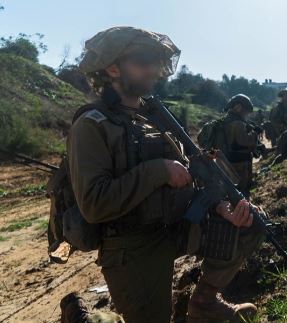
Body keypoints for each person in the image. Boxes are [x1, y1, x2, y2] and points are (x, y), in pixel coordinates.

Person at [69, 26, 264, 323]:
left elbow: (189, 173)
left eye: (155, 62)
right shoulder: (92, 125)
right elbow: (94, 204)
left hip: (174, 227)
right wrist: (157, 171)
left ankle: (204, 304)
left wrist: (217, 207)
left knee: (249, 222)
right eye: (142, 61)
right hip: (133, 245)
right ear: (112, 68)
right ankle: (78, 314)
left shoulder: (154, 118)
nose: (153, 70)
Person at [222, 94, 262, 198]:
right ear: (238, 108)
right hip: (239, 164)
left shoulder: (226, 120)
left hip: (228, 161)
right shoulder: (237, 123)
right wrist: (255, 133)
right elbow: (245, 141)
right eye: (246, 111)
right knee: (241, 192)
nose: (246, 115)